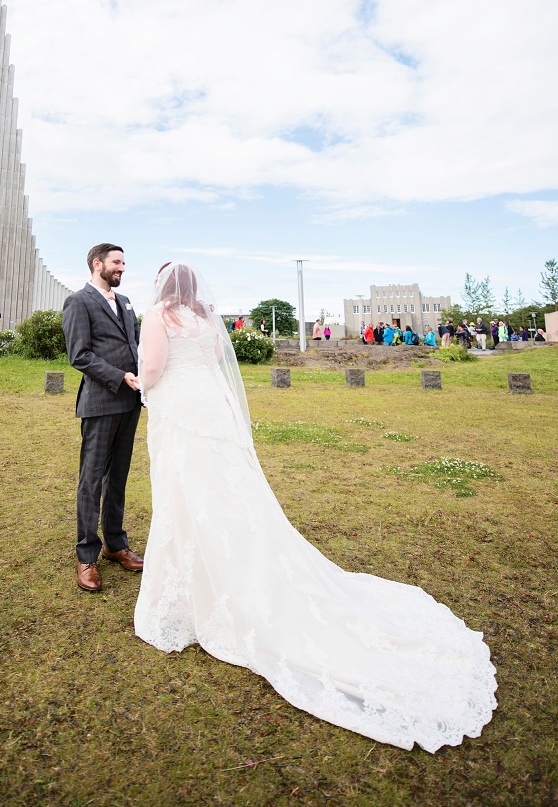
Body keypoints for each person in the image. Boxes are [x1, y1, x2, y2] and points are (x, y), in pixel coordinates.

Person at [134, 262, 496, 752]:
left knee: (185, 494)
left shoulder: (159, 316)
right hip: (213, 409)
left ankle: (199, 587)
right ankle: (222, 569)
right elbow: (218, 357)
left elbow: (154, 368)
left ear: (162, 288)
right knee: (226, 494)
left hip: (180, 411)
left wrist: (138, 382)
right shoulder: (204, 317)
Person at [62, 244, 144, 593]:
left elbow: (137, 345)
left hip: (130, 403)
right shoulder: (78, 302)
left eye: (123, 263)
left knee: (118, 477)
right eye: (116, 262)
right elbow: (79, 355)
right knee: (91, 479)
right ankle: (86, 555)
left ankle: (115, 544)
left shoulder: (125, 303)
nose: (122, 268)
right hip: (100, 402)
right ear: (98, 264)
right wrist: (119, 376)